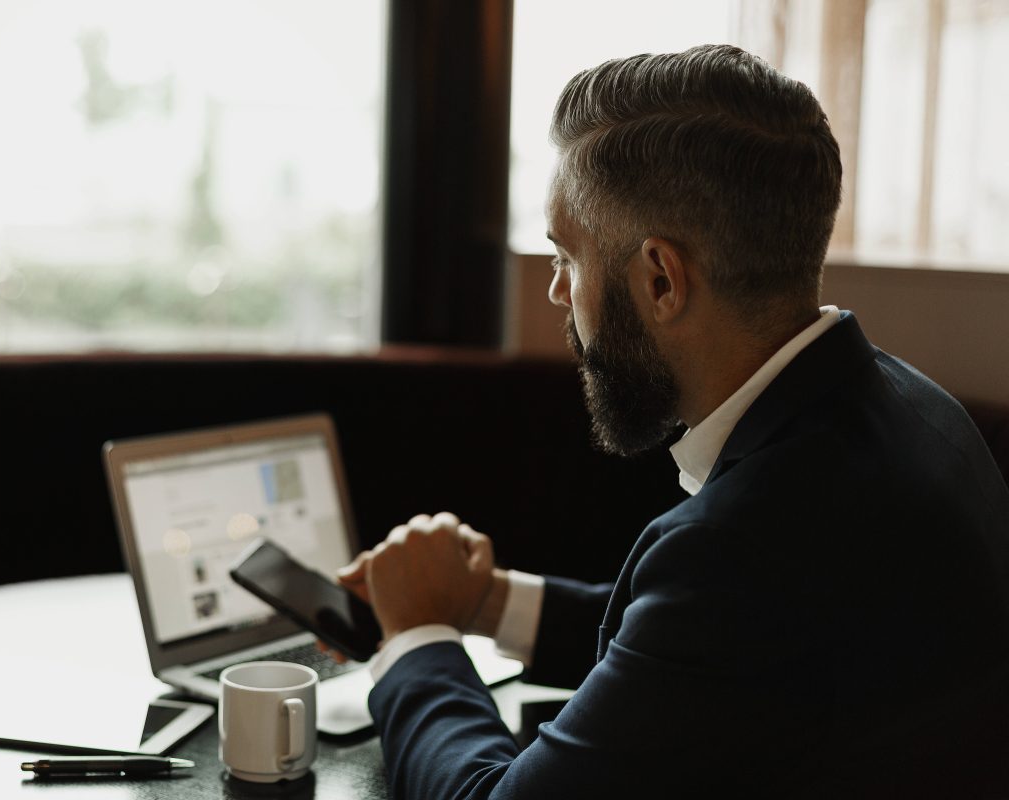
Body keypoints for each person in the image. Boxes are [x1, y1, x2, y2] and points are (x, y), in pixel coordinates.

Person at [335, 45, 1009, 798]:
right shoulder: (912, 406)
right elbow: (697, 653)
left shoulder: (745, 545)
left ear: (661, 279)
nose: (559, 293)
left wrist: (419, 639)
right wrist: (488, 601)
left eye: (568, 258)